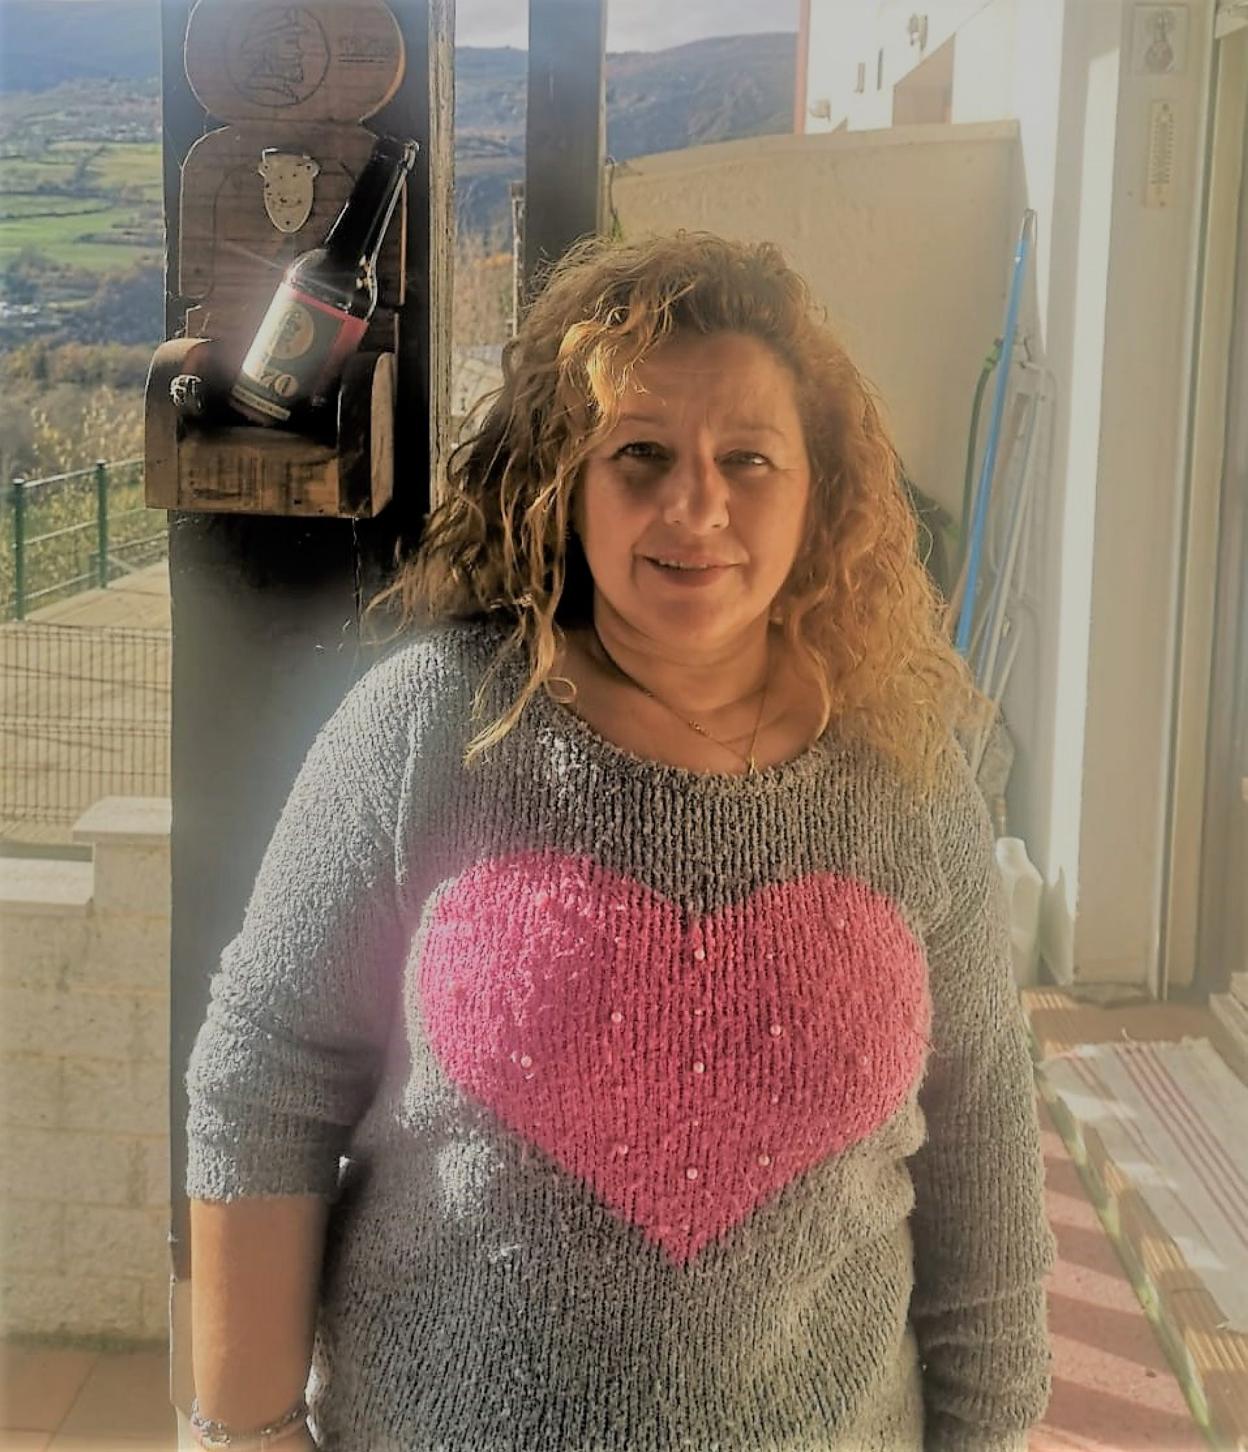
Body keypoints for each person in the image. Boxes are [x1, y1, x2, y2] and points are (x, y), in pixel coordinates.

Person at [185, 231, 1057, 1452]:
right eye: (640, 453)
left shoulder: (909, 781)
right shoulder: (430, 729)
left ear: (818, 491)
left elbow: (982, 1145)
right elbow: (265, 1080)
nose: (695, 506)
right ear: (563, 480)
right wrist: (248, 1433)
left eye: (748, 458)